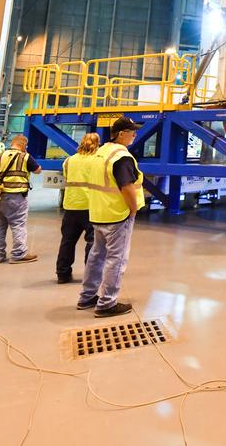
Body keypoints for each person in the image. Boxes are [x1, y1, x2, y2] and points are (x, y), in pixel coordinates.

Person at [78, 116, 144, 317]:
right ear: (121, 134)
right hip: (117, 214)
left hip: (99, 213)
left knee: (96, 256)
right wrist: (133, 209)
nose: (135, 135)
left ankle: (87, 296)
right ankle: (107, 303)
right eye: (132, 131)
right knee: (117, 259)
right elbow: (127, 187)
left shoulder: (101, 153)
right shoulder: (121, 157)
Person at [0, 135, 41, 264]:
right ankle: (18, 254)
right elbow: (38, 170)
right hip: (16, 197)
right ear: (24, 146)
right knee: (18, 225)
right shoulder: (25, 157)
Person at [55, 133, 99, 284]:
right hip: (90, 206)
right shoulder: (97, 161)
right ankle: (90, 274)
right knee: (92, 242)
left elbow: (67, 179)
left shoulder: (69, 161)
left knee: (67, 241)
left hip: (71, 205)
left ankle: (62, 274)